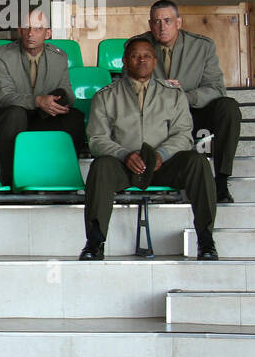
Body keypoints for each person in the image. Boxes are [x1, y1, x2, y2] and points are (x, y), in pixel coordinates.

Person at [81, 38, 217, 261]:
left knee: (198, 162)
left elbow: (183, 135)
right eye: (135, 55)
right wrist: (123, 154)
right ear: (125, 61)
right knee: (101, 166)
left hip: (164, 164)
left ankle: (206, 240)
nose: (141, 59)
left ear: (155, 61)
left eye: (146, 55)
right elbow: (97, 139)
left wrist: (161, 154)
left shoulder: (173, 95)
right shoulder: (106, 96)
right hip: (124, 166)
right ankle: (94, 243)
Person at [133, 0, 241, 202]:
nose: (162, 27)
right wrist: (160, 93)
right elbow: (128, 88)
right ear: (150, 24)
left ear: (179, 23)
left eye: (167, 21)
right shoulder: (137, 46)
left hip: (193, 112)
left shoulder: (202, 46)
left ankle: (221, 182)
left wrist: (186, 96)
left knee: (229, 108)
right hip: (156, 118)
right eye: (156, 22)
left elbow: (216, 89)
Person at [0, 6, 86, 184]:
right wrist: (38, 101)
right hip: (8, 117)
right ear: (19, 30)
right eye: (26, 28)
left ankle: (64, 176)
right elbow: (4, 97)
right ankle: (13, 180)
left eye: (37, 28)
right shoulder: (2, 55)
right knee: (15, 114)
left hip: (44, 116)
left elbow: (68, 93)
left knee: (74, 117)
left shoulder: (59, 57)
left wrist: (56, 102)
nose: (30, 33)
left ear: (48, 33)